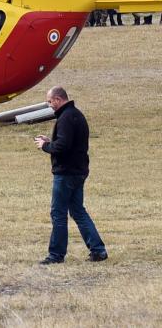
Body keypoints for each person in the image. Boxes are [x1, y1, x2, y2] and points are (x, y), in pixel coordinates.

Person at [34, 86, 107, 264]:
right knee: (78, 211)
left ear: (58, 99)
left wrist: (45, 146)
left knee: (58, 213)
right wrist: (52, 142)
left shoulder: (65, 118)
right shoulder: (76, 115)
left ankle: (56, 255)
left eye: (50, 101)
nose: (49, 105)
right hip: (78, 171)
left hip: (66, 173)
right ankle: (98, 250)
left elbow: (62, 147)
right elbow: (69, 143)